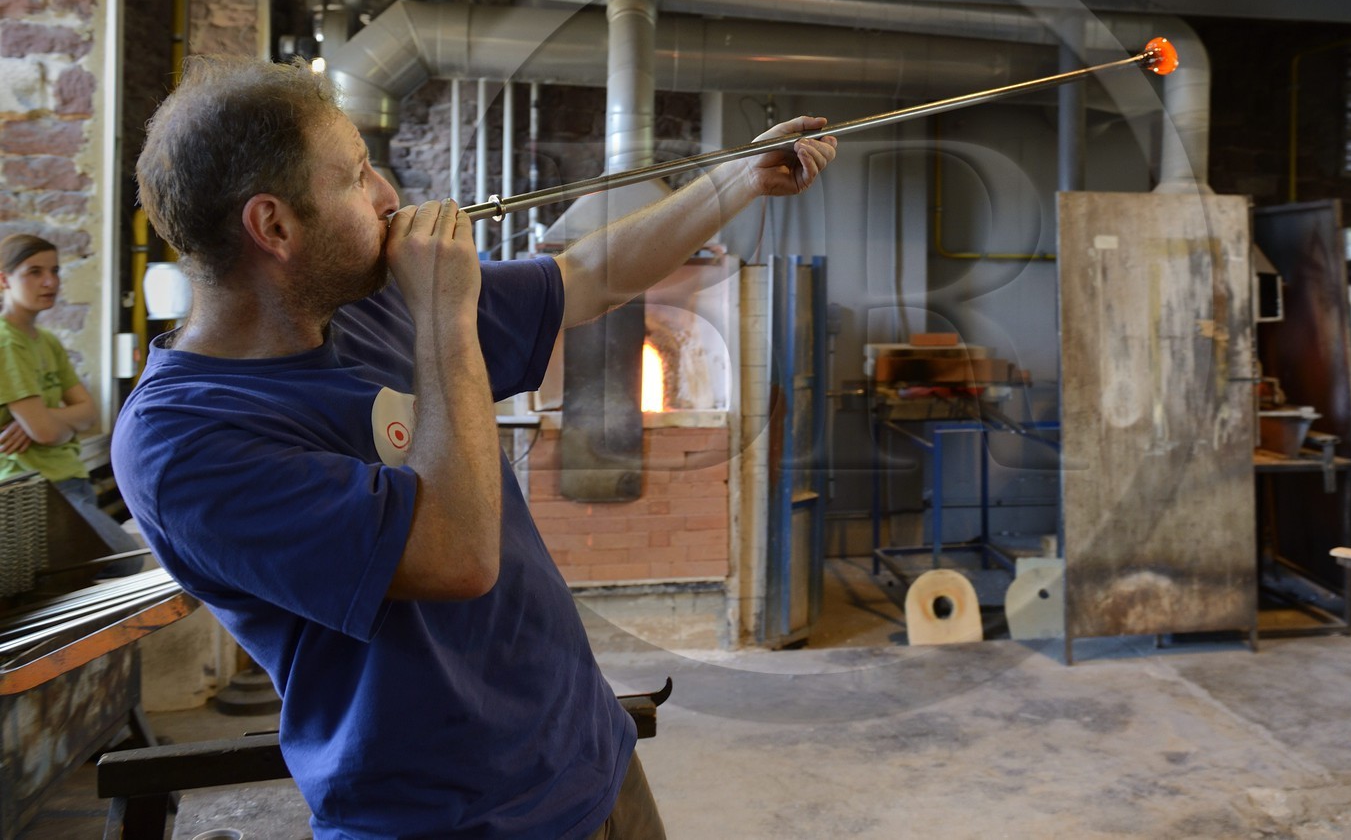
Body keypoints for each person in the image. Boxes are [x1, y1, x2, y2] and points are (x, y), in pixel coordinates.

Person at [110, 57, 834, 839]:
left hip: (589, 753)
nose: (389, 198)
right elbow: (457, 556)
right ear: (273, 226)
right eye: (356, 177)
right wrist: (445, 316)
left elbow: (589, 275)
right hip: (457, 816)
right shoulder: (183, 442)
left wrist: (739, 180)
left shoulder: (362, 308)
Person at [0, 233, 143, 577]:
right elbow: (49, 431)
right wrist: (53, 424)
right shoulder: (6, 341)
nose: (50, 282)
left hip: (69, 481)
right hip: (33, 492)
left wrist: (43, 420)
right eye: (34, 272)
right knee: (126, 561)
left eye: (55, 271)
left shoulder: (46, 340)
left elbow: (88, 411)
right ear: (4, 280)